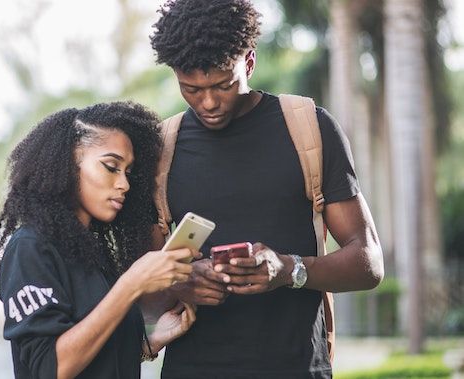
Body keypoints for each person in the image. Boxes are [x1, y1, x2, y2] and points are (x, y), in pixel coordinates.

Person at [146, 0, 385, 378]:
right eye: (190, 88)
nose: (208, 103)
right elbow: (141, 281)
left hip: (297, 369)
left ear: (250, 63)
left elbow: (368, 263)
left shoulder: (309, 128)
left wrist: (291, 269)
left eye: (224, 85)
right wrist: (184, 281)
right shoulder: (162, 150)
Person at [0, 101, 199, 379]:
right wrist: (131, 285)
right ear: (66, 166)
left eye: (128, 172)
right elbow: (50, 369)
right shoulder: (30, 248)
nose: (124, 183)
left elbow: (94, 358)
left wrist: (151, 341)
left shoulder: (92, 250)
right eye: (111, 167)